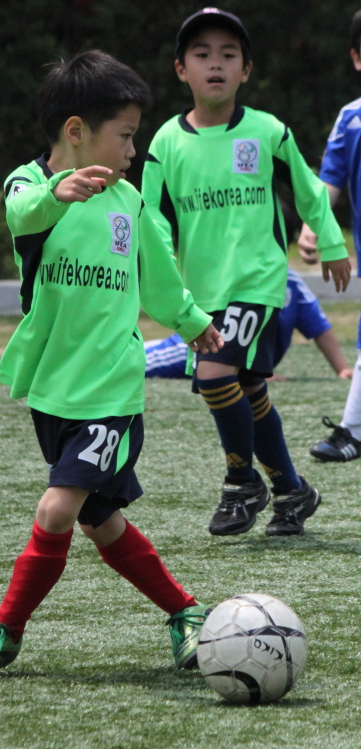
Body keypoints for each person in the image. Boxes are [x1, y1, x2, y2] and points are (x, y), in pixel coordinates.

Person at [0, 51, 224, 676]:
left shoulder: (130, 200)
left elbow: (160, 285)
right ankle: (185, 611)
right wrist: (56, 193)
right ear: (76, 131)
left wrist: (194, 323)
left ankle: (4, 632)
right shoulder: (27, 184)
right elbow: (23, 213)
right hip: (54, 392)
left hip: (113, 395)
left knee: (58, 509)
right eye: (124, 135)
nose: (132, 150)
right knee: (102, 523)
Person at [142, 8, 351, 537]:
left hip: (258, 283)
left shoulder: (266, 132)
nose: (216, 64)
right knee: (249, 388)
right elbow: (153, 223)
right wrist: (161, 284)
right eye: (202, 54)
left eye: (228, 55)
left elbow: (307, 190)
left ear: (246, 71)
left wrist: (329, 243)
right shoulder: (165, 144)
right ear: (180, 69)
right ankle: (291, 491)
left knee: (213, 374)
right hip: (202, 293)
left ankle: (241, 482)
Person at [298, 9, 361, 463]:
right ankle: (353, 431)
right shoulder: (351, 119)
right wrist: (312, 227)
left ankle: (353, 431)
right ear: (357, 59)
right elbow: (329, 181)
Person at [145, 270, 353, 380]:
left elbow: (319, 327)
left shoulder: (289, 282)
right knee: (139, 361)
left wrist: (341, 369)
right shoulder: (233, 276)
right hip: (204, 346)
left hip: (226, 359)